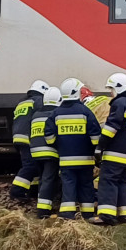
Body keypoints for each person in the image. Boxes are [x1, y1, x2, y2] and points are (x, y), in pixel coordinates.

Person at [90, 73, 126, 225]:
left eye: (112, 89)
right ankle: (124, 214)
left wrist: (100, 146)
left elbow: (111, 128)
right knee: (123, 182)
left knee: (108, 181)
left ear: (118, 88)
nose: (111, 93)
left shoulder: (119, 103)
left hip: (114, 153)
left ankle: (106, 216)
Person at [44, 77, 101, 219]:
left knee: (68, 185)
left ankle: (67, 214)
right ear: (77, 93)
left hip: (66, 160)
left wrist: (59, 144)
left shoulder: (55, 113)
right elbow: (96, 137)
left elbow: (49, 136)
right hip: (86, 160)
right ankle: (87, 214)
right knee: (86, 185)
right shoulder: (86, 112)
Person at [9, 79, 50, 200]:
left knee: (35, 165)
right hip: (28, 137)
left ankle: (33, 191)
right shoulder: (38, 101)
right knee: (30, 166)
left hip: (18, 137)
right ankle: (16, 192)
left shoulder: (22, 102)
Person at [29, 86, 62, 218]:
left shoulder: (36, 114)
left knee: (43, 179)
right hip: (50, 152)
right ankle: (43, 211)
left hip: (35, 152)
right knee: (48, 179)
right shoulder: (55, 114)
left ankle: (42, 203)